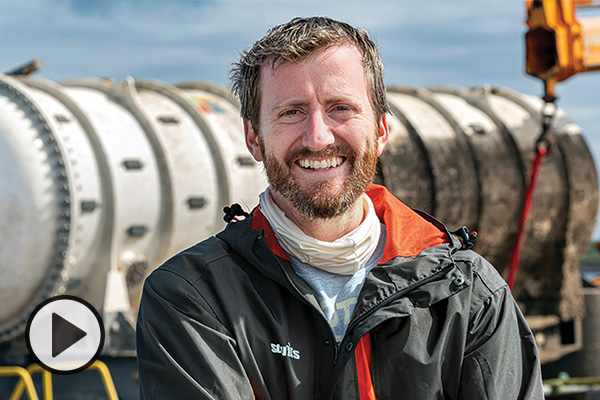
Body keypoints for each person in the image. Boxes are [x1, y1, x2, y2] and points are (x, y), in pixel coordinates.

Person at [136, 16, 544, 399]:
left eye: (340, 108)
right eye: (291, 112)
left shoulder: (466, 293)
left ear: (381, 130)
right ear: (254, 137)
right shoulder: (193, 297)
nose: (317, 137)